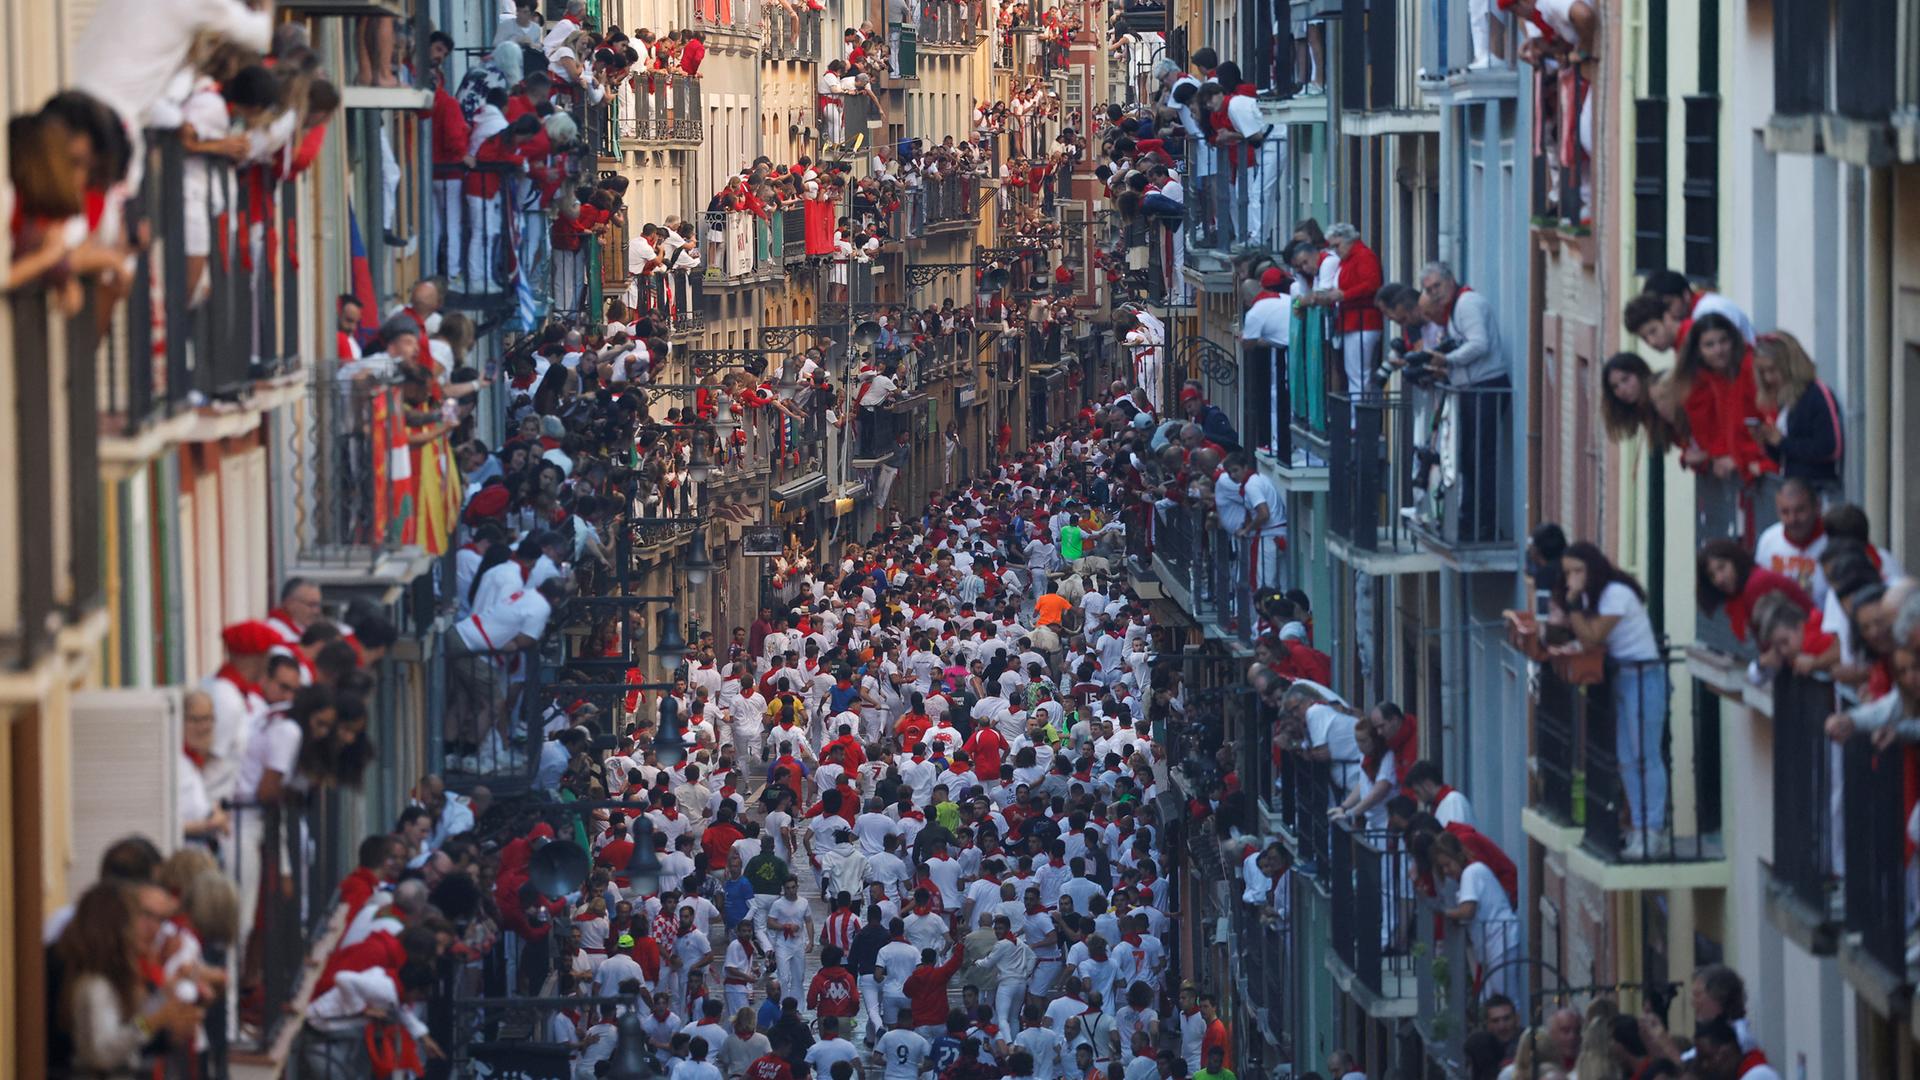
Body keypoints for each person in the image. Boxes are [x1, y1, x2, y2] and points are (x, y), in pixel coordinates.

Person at [1559, 541, 1668, 857]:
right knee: (1626, 758)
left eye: (1578, 571)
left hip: (1643, 677)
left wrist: (1572, 602)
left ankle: (1653, 829)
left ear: (1592, 569)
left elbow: (1592, 636)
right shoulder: (1597, 596)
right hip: (1623, 678)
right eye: (1568, 573)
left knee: (1645, 755)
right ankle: (1639, 827)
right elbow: (1589, 640)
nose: (1572, 578)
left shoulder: (1616, 594)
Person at [1750, 330, 1842, 486]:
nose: (1768, 378)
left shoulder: (1815, 394)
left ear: (1790, 365)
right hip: (1794, 486)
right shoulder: (1786, 399)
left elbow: (1829, 448)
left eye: (1772, 370)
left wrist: (1782, 442)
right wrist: (1768, 441)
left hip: (1816, 489)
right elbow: (1786, 456)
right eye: (1763, 372)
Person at [1697, 538, 1813, 644]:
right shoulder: (1742, 592)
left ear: (1735, 561)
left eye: (1722, 567)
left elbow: (1779, 641)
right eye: (1712, 576)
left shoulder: (1756, 585)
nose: (1719, 579)